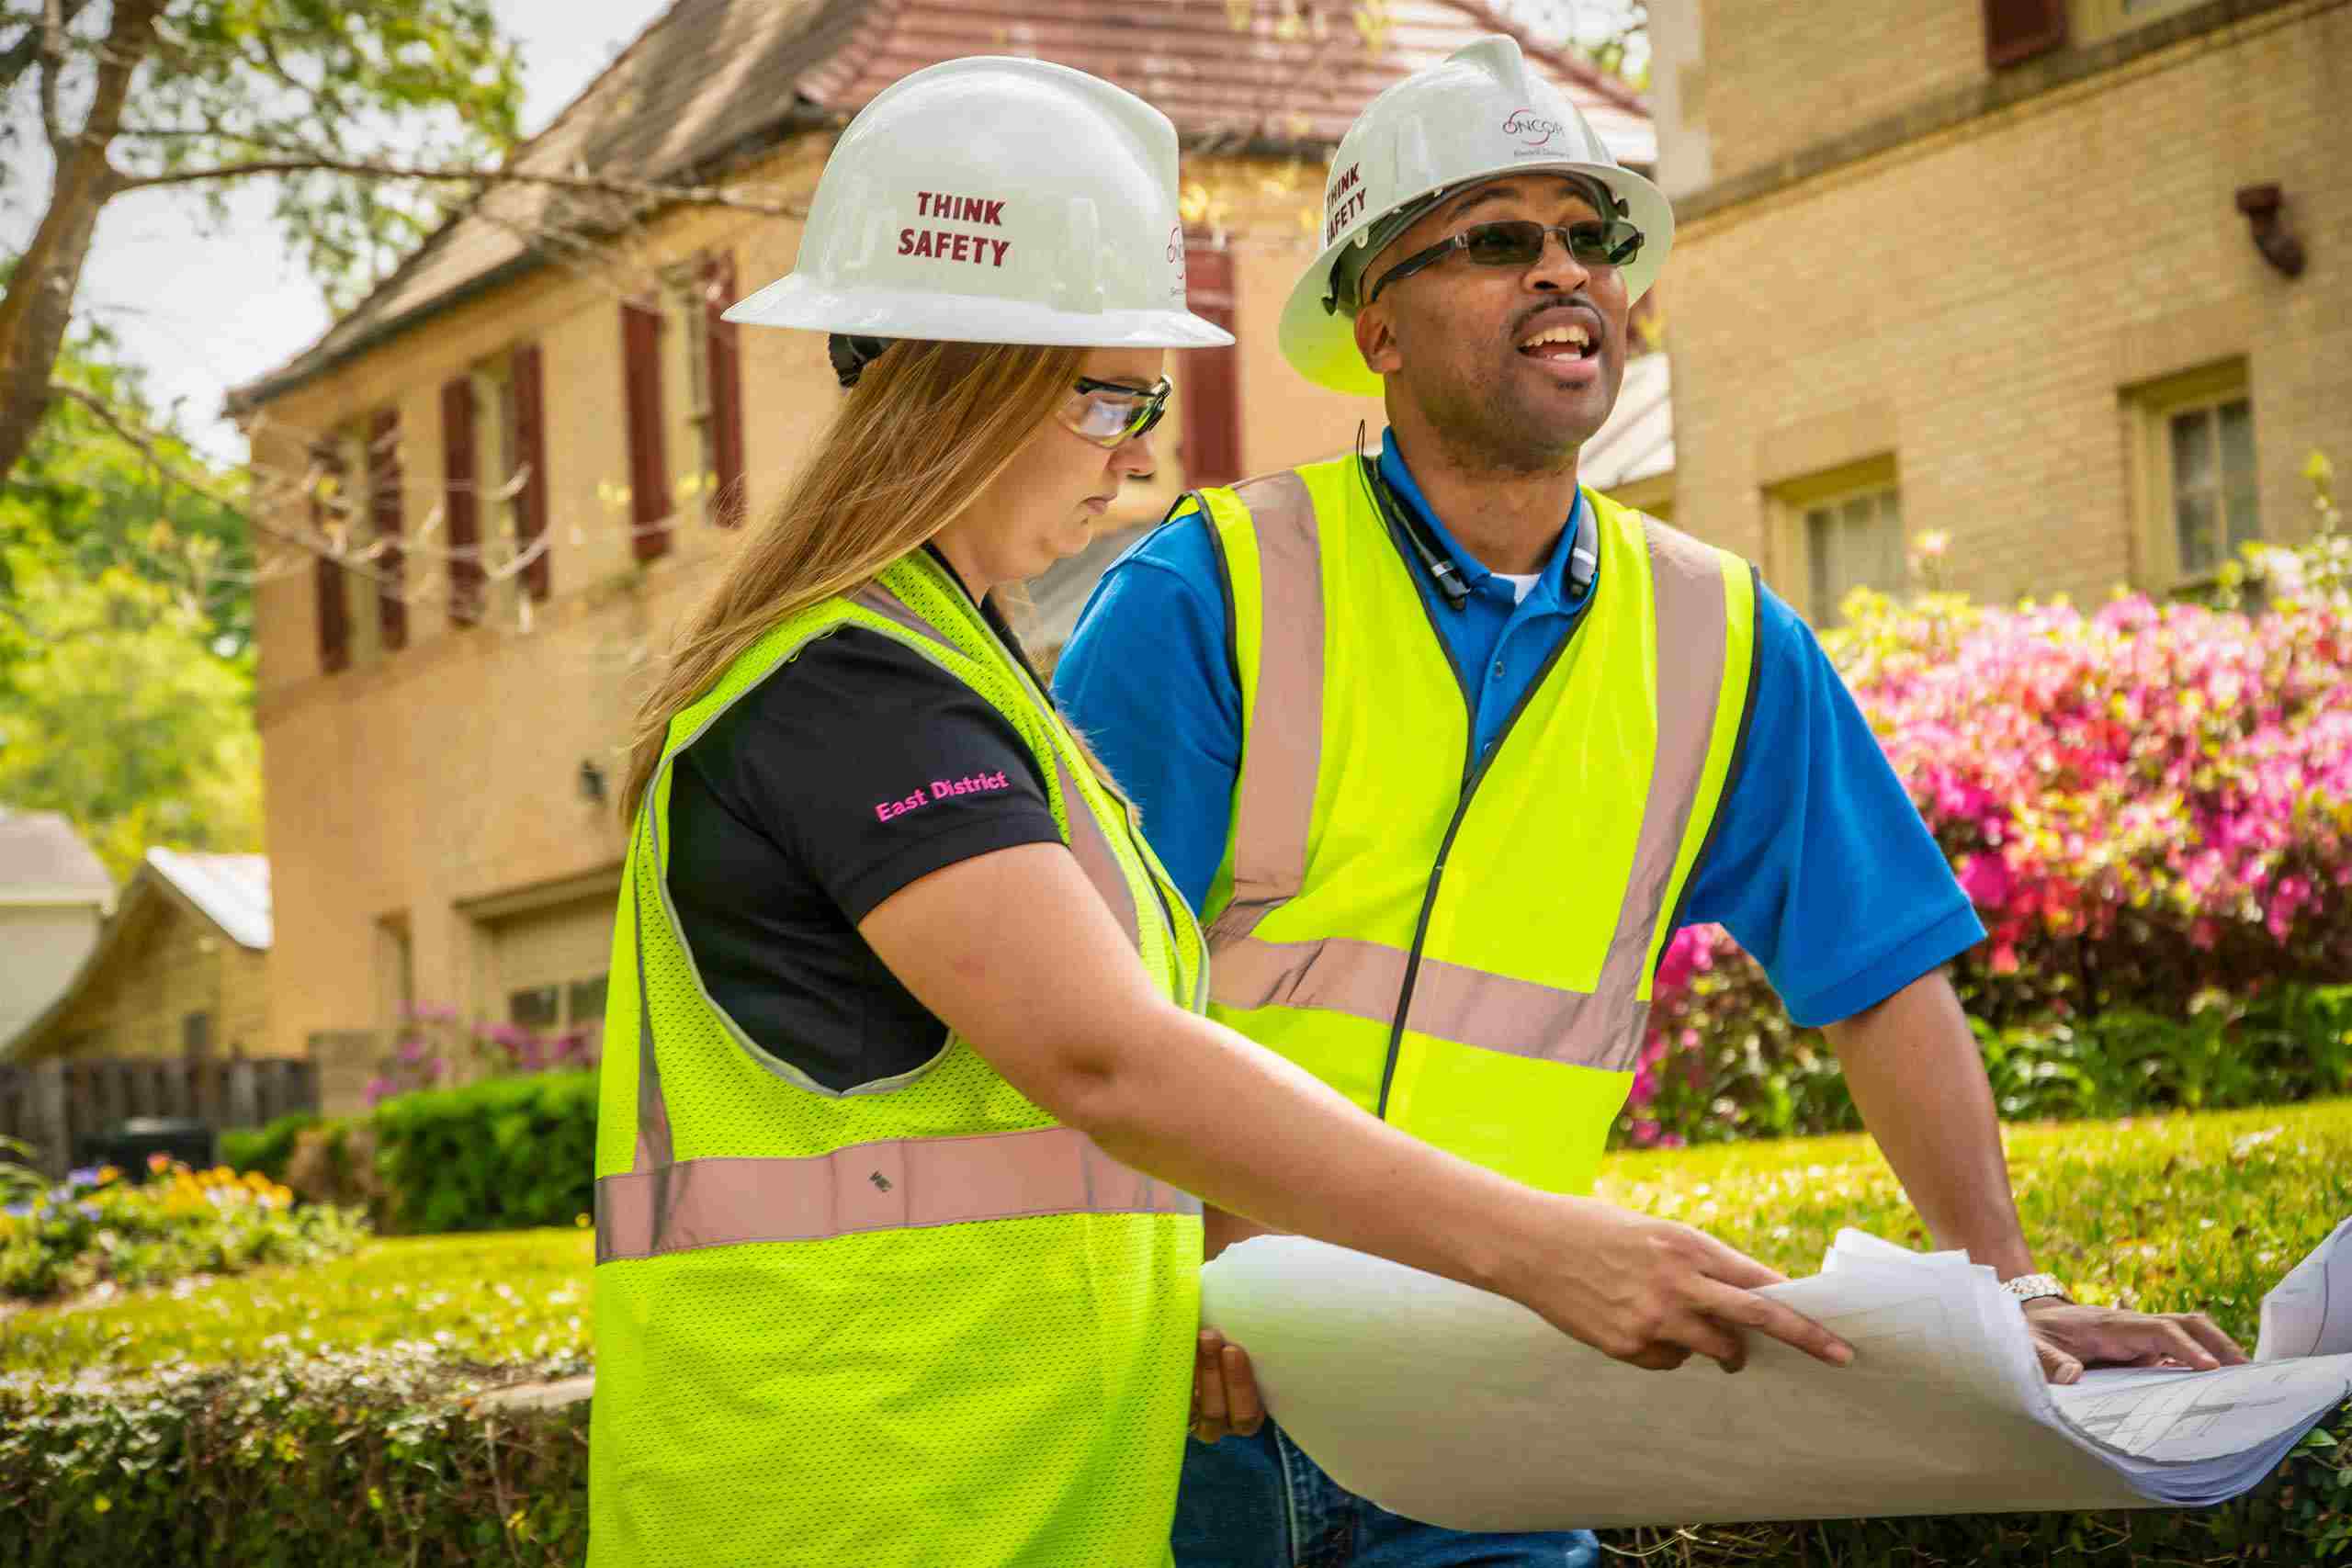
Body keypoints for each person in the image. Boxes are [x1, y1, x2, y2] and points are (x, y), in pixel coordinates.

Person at [586, 55, 1856, 1568]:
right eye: (1115, 395)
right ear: (970, 378)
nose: (1140, 458)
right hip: (866, 1507)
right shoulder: (852, 697)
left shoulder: (953, 685)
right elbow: (1110, 1054)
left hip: (980, 1499)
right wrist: (1546, 1251)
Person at [1053, 35, 2252, 1568]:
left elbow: (1878, 976)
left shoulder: (1721, 631)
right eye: (1499, 239)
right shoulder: (1204, 592)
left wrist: (2002, 1296)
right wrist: (1179, 1267)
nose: (1566, 272)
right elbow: (1069, 1012)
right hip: (1201, 1388)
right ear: (1380, 328)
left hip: (1496, 1392)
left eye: (1591, 235)